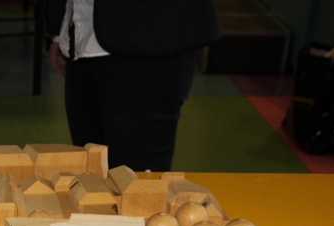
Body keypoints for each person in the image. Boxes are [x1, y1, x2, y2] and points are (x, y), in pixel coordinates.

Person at [47, 0, 220, 171]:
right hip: (80, 40)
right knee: (89, 177)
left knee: (137, 180)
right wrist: (63, 30)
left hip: (147, 41)